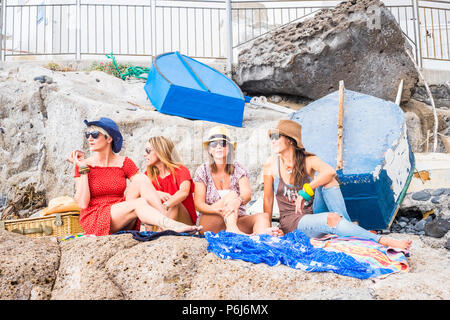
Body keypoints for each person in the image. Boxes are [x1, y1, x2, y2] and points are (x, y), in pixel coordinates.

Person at [263, 119, 412, 250]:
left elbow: (329, 172)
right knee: (332, 218)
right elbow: (268, 200)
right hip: (292, 221)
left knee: (328, 180)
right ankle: (382, 240)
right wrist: (268, 228)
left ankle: (347, 228)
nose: (273, 141)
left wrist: (305, 191)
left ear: (290, 140)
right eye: (272, 138)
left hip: (312, 212)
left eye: (277, 137)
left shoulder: (308, 160)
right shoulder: (271, 164)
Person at [67, 117, 202, 236]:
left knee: (140, 179)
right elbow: (82, 203)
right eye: (88, 134)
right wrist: (82, 168)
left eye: (95, 134)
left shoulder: (125, 163)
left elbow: (143, 184)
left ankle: (166, 221)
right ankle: (169, 224)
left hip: (124, 212)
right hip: (96, 216)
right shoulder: (84, 165)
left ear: (109, 138)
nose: (90, 138)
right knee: (139, 202)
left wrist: (156, 193)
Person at [193, 126, 280, 236]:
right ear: (210, 150)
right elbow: (198, 204)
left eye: (223, 143)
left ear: (229, 148)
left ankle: (260, 241)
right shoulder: (203, 170)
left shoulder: (238, 168)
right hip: (211, 221)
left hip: (237, 218)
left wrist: (237, 201)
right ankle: (232, 229)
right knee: (232, 194)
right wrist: (218, 210)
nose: (218, 147)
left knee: (263, 217)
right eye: (214, 144)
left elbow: (247, 194)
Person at [144, 136, 197, 228]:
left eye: (148, 150)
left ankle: (161, 233)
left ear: (160, 151)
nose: (144, 154)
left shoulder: (181, 170)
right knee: (146, 202)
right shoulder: (148, 175)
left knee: (173, 203)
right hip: (159, 219)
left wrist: (165, 206)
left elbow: (184, 192)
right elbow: (141, 196)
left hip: (183, 221)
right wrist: (156, 193)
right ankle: (151, 235)